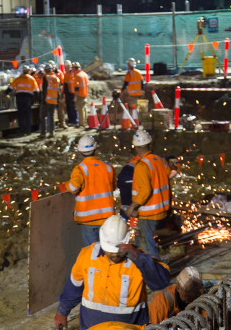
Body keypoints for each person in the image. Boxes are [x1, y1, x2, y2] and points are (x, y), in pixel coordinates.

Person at [54, 215, 171, 329]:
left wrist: (139, 258)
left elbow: (161, 282)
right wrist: (62, 312)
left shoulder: (138, 261)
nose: (114, 254)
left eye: (118, 250)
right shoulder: (87, 256)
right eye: (111, 250)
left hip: (129, 326)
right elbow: (74, 287)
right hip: (92, 326)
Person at [125, 131, 172, 259]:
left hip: (148, 212)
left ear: (137, 147)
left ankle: (154, 273)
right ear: (149, 144)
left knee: (147, 246)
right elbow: (169, 174)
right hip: (161, 210)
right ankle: (146, 268)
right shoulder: (160, 160)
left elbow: (145, 190)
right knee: (142, 241)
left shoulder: (142, 165)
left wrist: (132, 207)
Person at [67, 135, 116, 246]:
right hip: (107, 218)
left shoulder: (80, 169)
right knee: (108, 249)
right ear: (95, 149)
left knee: (93, 252)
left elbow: (73, 188)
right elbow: (113, 186)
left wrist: (66, 186)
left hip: (88, 219)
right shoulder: (108, 168)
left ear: (80, 152)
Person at [6, 65, 40, 135]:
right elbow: (36, 91)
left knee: (20, 114)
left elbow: (10, 87)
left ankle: (21, 130)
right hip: (28, 98)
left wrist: (5, 93)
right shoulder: (32, 79)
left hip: (19, 98)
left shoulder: (18, 79)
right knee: (28, 114)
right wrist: (37, 100)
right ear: (28, 71)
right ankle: (28, 130)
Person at [40, 63, 60, 138]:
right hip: (54, 101)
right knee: (51, 116)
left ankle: (43, 133)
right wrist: (58, 101)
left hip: (47, 100)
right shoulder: (57, 78)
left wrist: (43, 99)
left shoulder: (46, 77)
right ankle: (52, 132)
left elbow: (45, 89)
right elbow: (58, 91)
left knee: (43, 116)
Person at [73, 62, 89, 128]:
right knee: (84, 109)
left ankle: (81, 124)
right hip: (85, 94)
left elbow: (77, 87)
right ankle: (84, 122)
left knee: (80, 109)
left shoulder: (77, 75)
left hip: (80, 94)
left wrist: (75, 97)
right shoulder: (84, 74)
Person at [63, 59, 78, 126]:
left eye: (68, 66)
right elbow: (65, 83)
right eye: (65, 67)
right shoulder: (66, 74)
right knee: (69, 107)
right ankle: (70, 120)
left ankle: (75, 120)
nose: (66, 68)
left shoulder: (73, 73)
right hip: (68, 93)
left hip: (73, 92)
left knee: (73, 107)